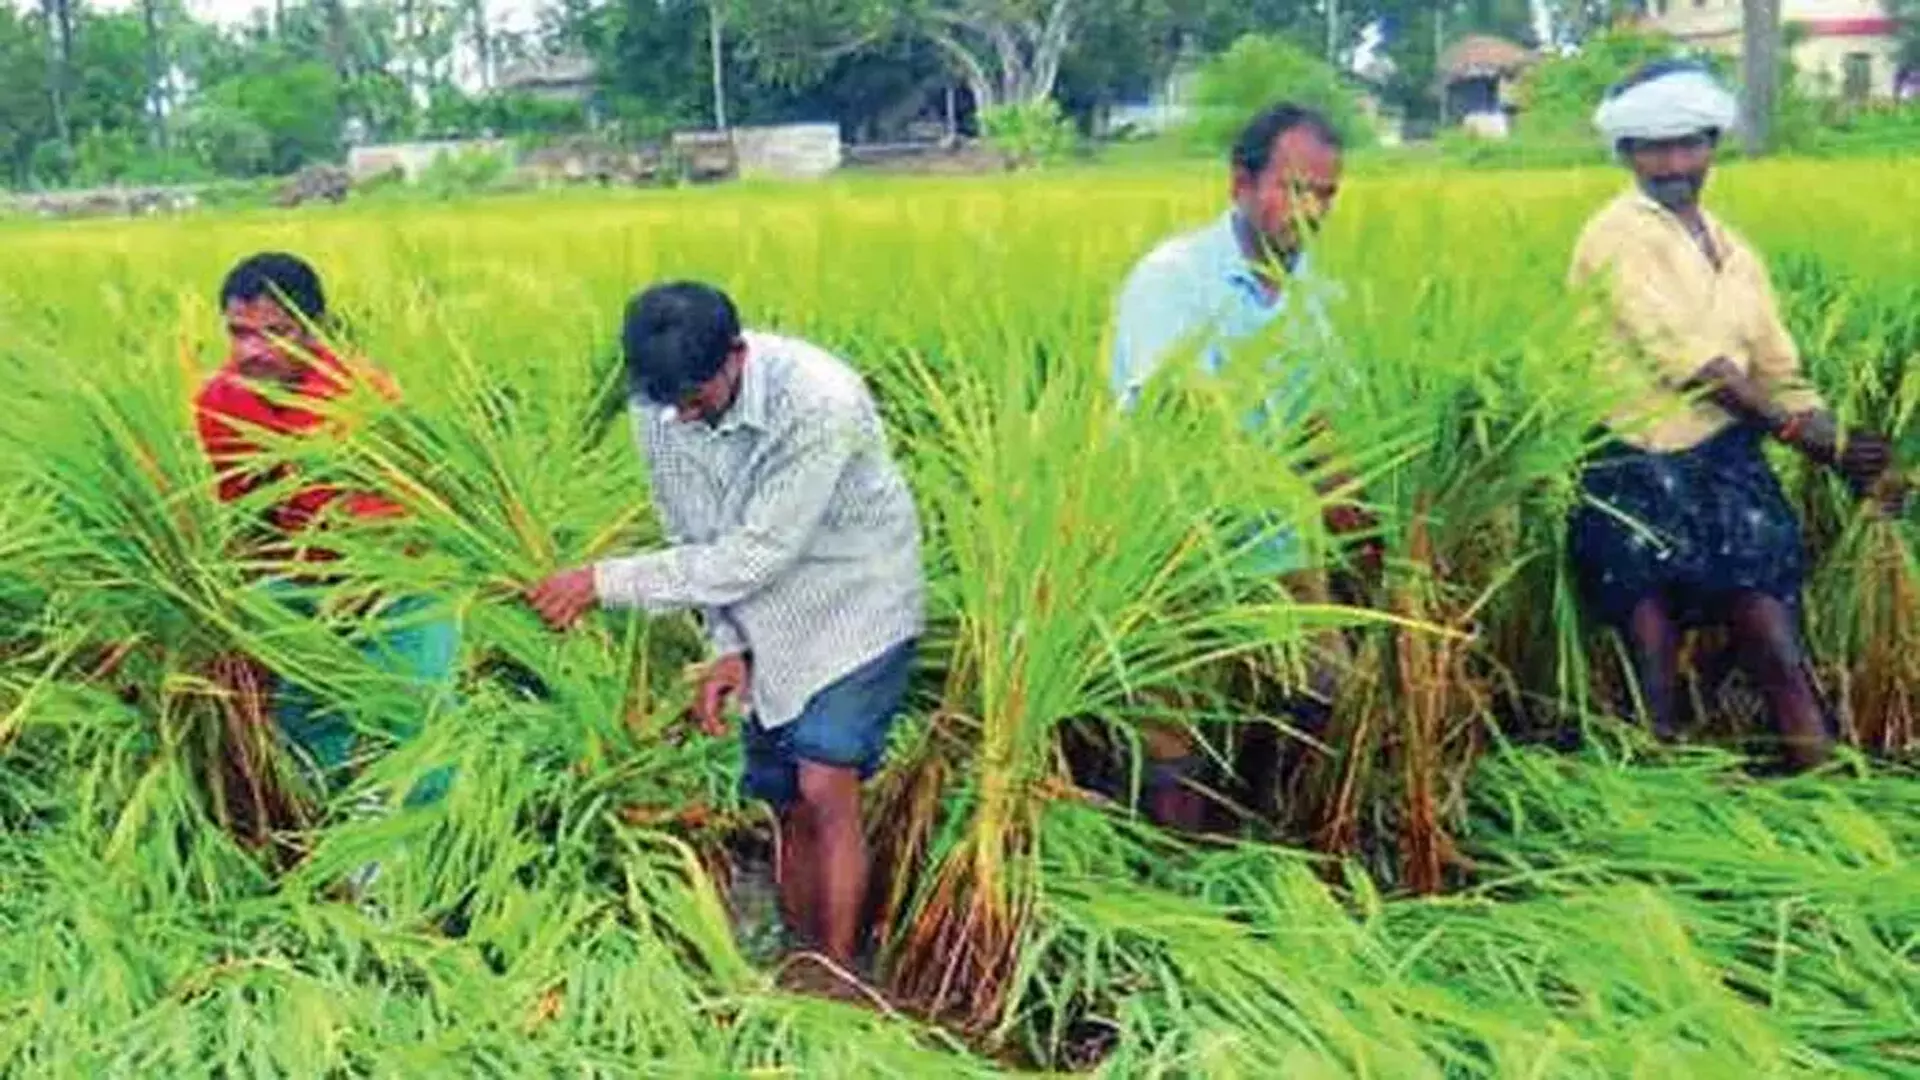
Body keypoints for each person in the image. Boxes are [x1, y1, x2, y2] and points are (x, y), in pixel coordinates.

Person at [527, 282, 923, 991]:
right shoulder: (662, 405)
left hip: (856, 596)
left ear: (736, 356)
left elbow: (755, 553)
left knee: (825, 777)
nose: (680, 415)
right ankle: (797, 959)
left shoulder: (818, 403)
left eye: (695, 398)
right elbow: (694, 535)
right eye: (666, 400)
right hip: (757, 609)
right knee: (782, 797)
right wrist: (726, 646)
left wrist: (600, 583)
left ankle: (837, 975)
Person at [1567, 61, 1897, 769]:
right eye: (1654, 148)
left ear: (1713, 143)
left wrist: (1842, 442)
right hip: (1635, 468)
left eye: (1689, 144)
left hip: (1725, 466)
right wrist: (1797, 433)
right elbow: (1690, 363)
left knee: (1775, 641)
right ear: (1626, 153)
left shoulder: (1735, 250)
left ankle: (1828, 796)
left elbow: (1777, 367)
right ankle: (1646, 821)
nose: (1674, 163)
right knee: (1650, 665)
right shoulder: (1617, 235)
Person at [1107, 102, 1373, 830]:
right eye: (1293, 188)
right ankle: (1173, 881)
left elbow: (1315, 416)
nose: (1310, 210)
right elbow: (1176, 417)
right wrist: (1280, 482)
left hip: (1275, 539)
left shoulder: (1315, 290)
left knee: (1324, 686)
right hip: (1177, 542)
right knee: (1172, 726)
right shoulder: (1173, 280)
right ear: (1241, 183)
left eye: (1326, 194)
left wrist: (1356, 501)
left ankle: (1266, 830)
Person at [194, 252, 458, 868]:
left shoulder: (361, 396)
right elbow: (248, 518)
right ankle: (328, 854)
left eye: (275, 333)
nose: (253, 350)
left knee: (416, 733)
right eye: (238, 332)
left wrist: (348, 602)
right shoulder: (221, 403)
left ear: (313, 329)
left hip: (400, 580)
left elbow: (391, 533)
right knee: (309, 727)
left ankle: (420, 872)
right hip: (300, 576)